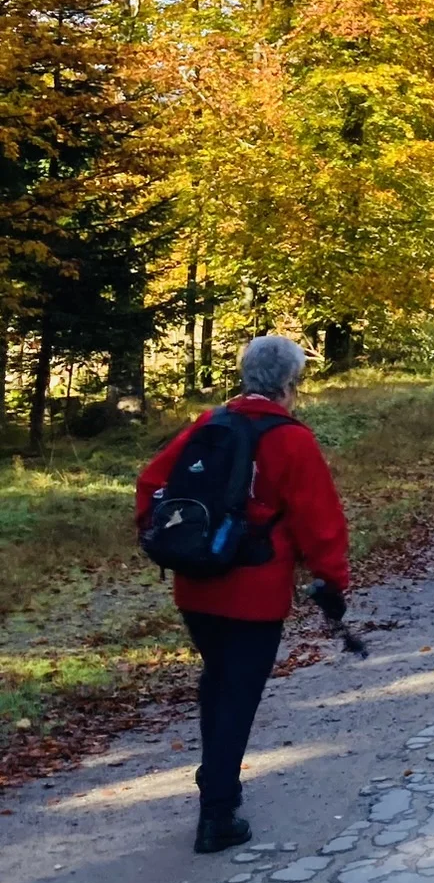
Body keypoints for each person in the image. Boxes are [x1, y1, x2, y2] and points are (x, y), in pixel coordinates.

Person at [136, 335, 350, 854]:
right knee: (237, 692)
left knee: (219, 682)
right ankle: (218, 812)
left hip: (197, 585)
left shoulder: (209, 424)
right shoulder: (291, 439)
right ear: (289, 384)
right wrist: (333, 581)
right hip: (255, 591)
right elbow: (320, 521)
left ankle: (215, 779)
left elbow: (150, 483)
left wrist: (167, 538)